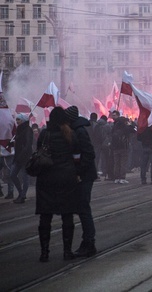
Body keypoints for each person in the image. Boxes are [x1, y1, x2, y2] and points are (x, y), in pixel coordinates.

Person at [36, 107, 80, 262]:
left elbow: (38, 153)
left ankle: (44, 252)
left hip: (46, 179)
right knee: (67, 216)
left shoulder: (44, 134)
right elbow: (77, 156)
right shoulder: (71, 135)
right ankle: (67, 251)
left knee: (45, 216)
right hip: (66, 179)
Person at [66, 106, 98, 258]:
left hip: (84, 176)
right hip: (84, 175)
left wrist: (79, 172)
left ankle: (89, 243)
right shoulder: (78, 129)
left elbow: (89, 153)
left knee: (84, 209)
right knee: (82, 208)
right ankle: (87, 242)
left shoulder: (79, 131)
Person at [10, 113, 33, 203]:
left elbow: (27, 145)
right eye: (16, 120)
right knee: (12, 174)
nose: (17, 121)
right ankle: (21, 193)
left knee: (25, 177)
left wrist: (22, 154)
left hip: (25, 157)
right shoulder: (19, 130)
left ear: (23, 120)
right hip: (18, 157)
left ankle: (23, 196)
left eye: (19, 119)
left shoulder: (28, 130)